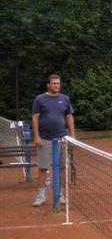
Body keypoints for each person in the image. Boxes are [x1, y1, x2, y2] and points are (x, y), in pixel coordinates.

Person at [32, 74, 76, 212]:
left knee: (62, 167)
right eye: (54, 83)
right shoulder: (39, 99)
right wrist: (37, 136)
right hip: (45, 139)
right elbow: (35, 118)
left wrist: (72, 135)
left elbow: (69, 117)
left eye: (58, 83)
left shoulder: (65, 99)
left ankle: (60, 194)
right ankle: (41, 196)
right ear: (48, 85)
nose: (56, 85)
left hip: (62, 139)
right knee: (43, 168)